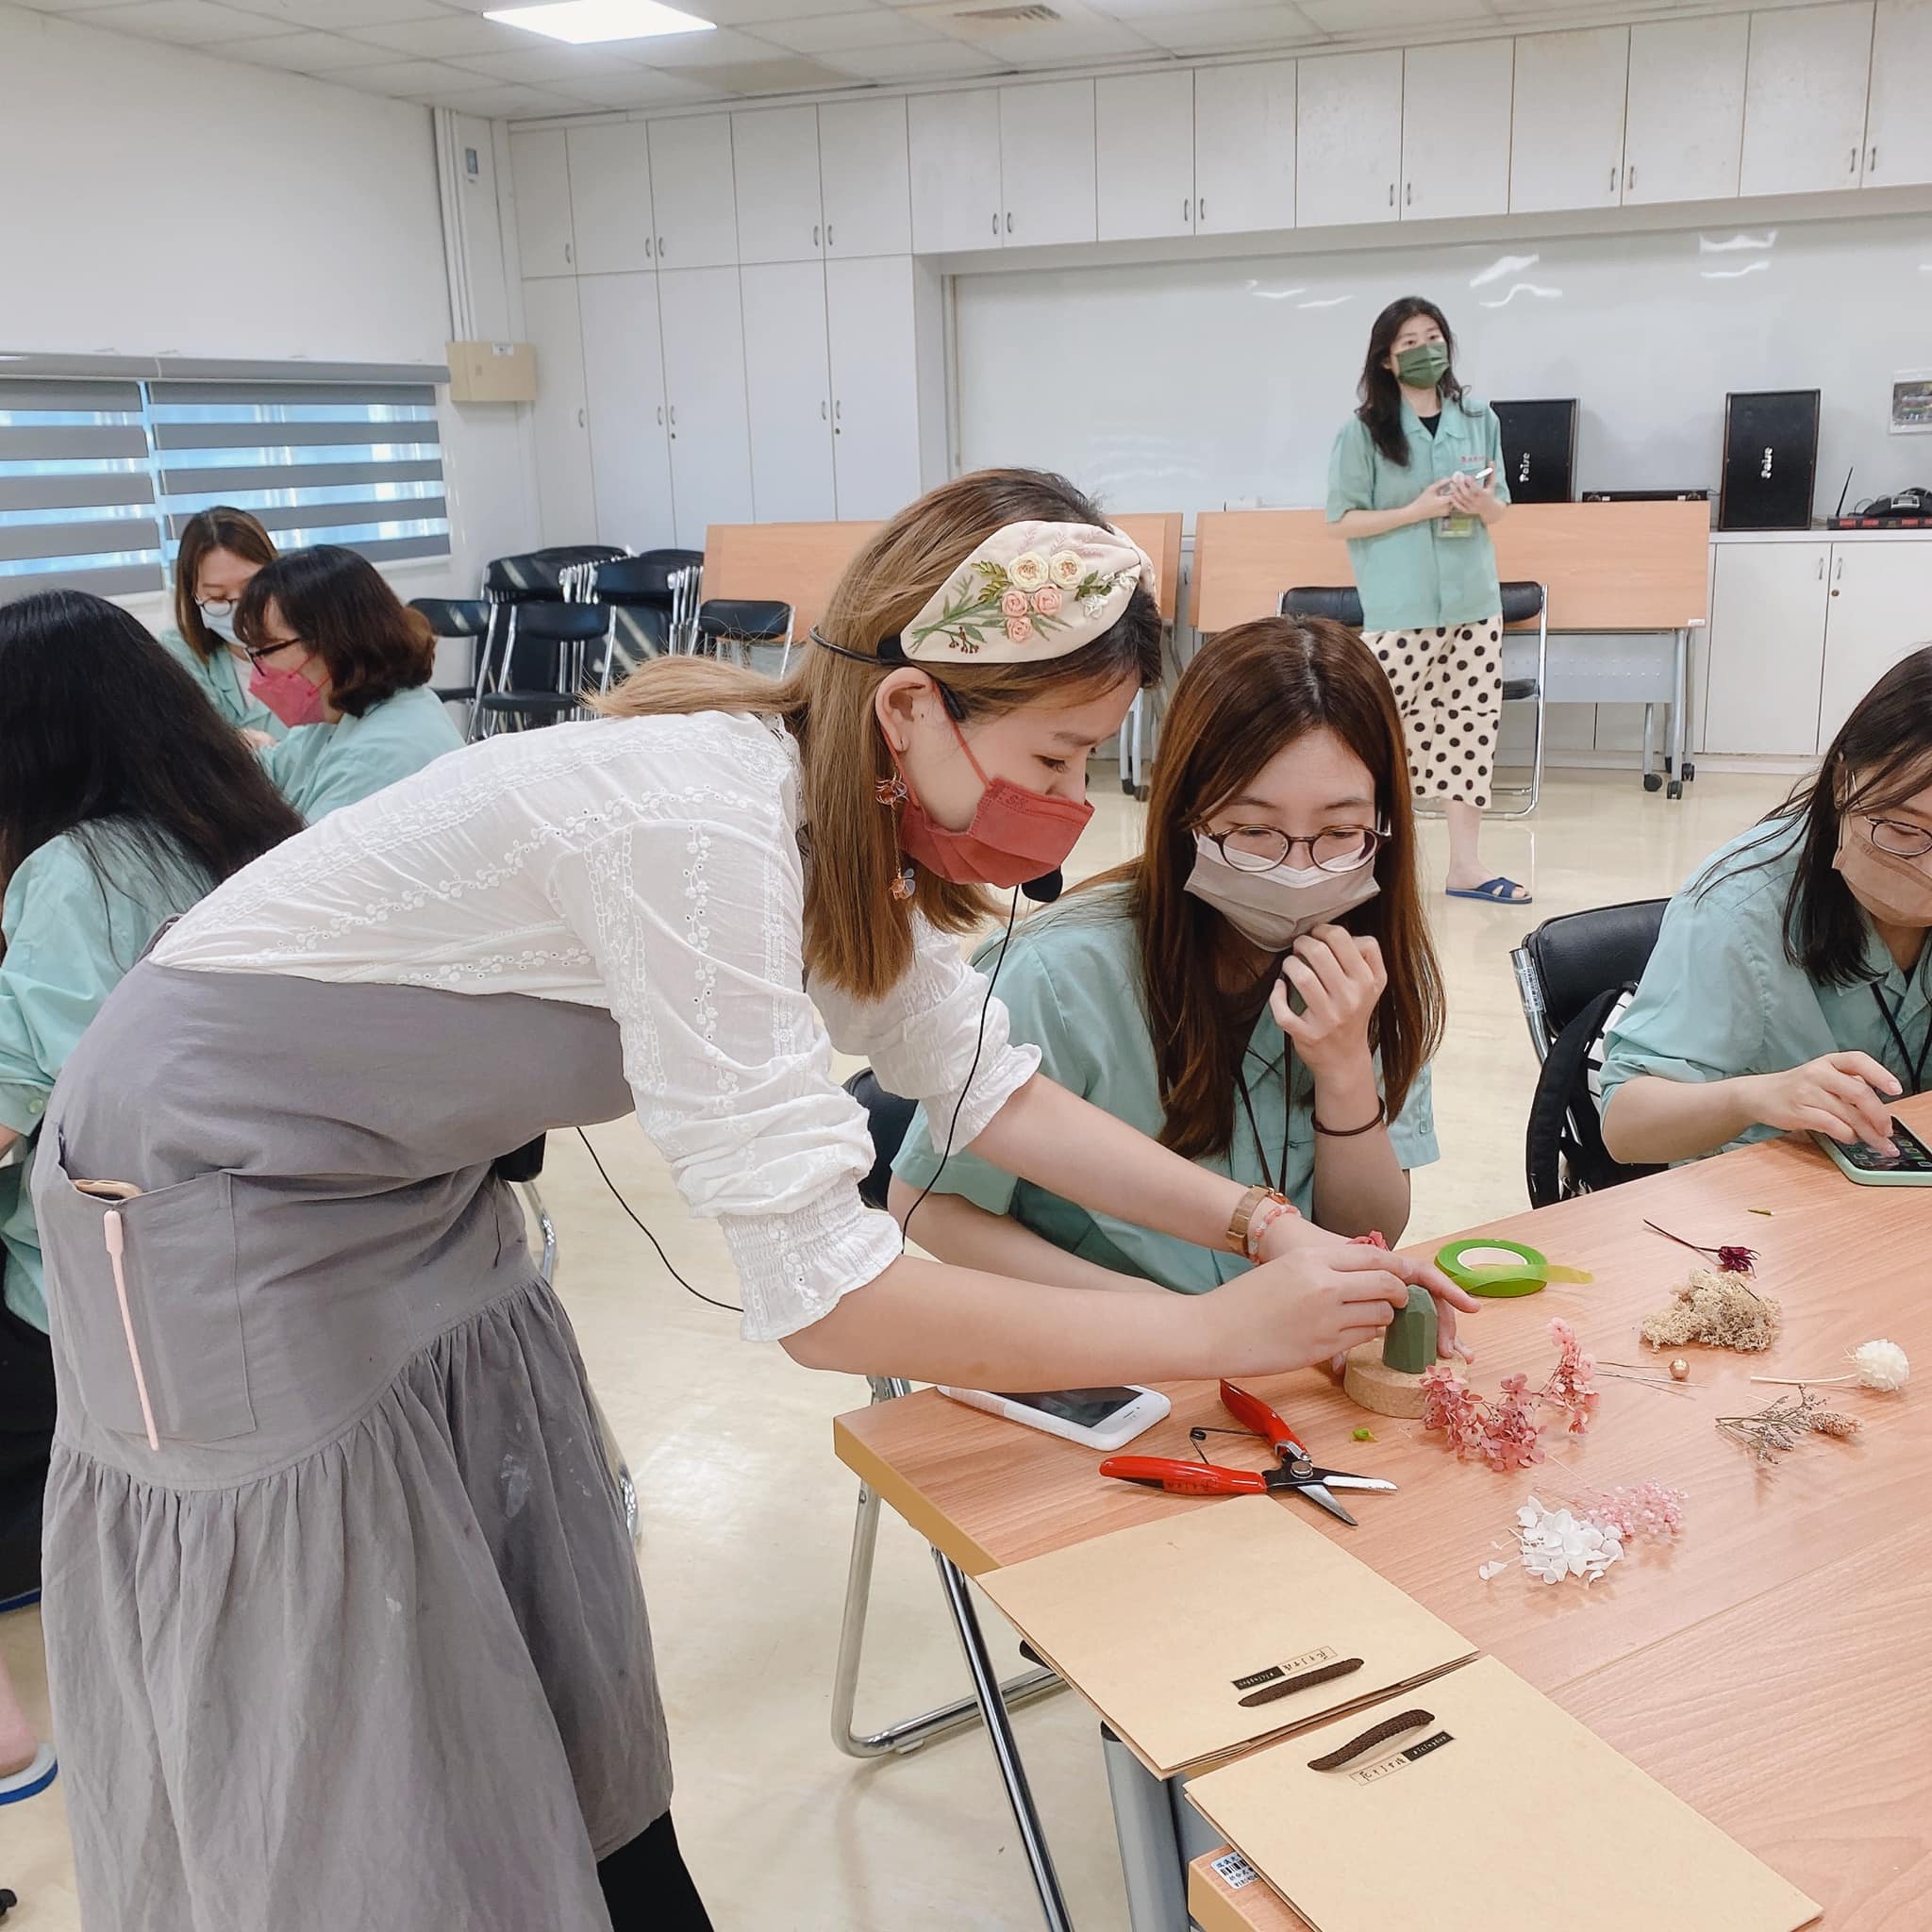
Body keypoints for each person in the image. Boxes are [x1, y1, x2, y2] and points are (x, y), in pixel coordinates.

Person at [33, 470, 1474, 1932]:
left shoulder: (814, 814)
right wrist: (1218, 1334)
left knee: (522, 1618)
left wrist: (1262, 1230)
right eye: (1054, 754)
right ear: (910, 708)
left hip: (406, 1190)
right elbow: (829, 1300)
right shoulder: (698, 822)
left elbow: (986, 1082)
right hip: (205, 1195)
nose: (1065, 806)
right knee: (348, 1672)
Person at [890, 615, 1447, 1297]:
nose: (1297, 869)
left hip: (1283, 1342)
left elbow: (1367, 1234)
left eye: (1339, 831)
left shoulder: (1367, 965)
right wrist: (1175, 1326)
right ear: (1188, 815)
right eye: (1253, 830)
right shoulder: (1058, 974)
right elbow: (932, 1204)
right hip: (1101, 1345)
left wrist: (1346, 1074)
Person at [0, 591, 302, 1799]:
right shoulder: (249, 826)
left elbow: (82, 1102)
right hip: (278, 1245)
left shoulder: (70, 873)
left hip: (134, 1284)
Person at [1599, 647, 1932, 1167]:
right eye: (1903, 830)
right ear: (1843, 784)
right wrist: (1754, 1097)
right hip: (1760, 1193)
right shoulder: (1739, 906)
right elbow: (1625, 1127)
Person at [1326, 295, 1525, 906]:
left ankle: (1465, 867)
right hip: (1401, 606)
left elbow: (1500, 506)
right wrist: (1416, 510)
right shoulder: (1363, 432)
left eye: (1433, 336)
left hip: (1474, 601)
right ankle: (1357, 863)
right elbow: (1342, 519)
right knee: (1374, 733)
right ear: (1386, 359)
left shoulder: (1478, 416)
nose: (1424, 349)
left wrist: (1480, 504)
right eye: (1408, 342)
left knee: (1471, 726)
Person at [240, 544, 463, 822]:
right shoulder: (344, 712)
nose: (259, 666)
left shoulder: (375, 758)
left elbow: (309, 849)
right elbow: (276, 767)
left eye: (266, 649)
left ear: (331, 642)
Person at [157, 505, 286, 740]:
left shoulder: (313, 643)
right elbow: (195, 739)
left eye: (251, 589)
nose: (240, 608)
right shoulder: (179, 651)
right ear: (194, 596)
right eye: (218, 597)